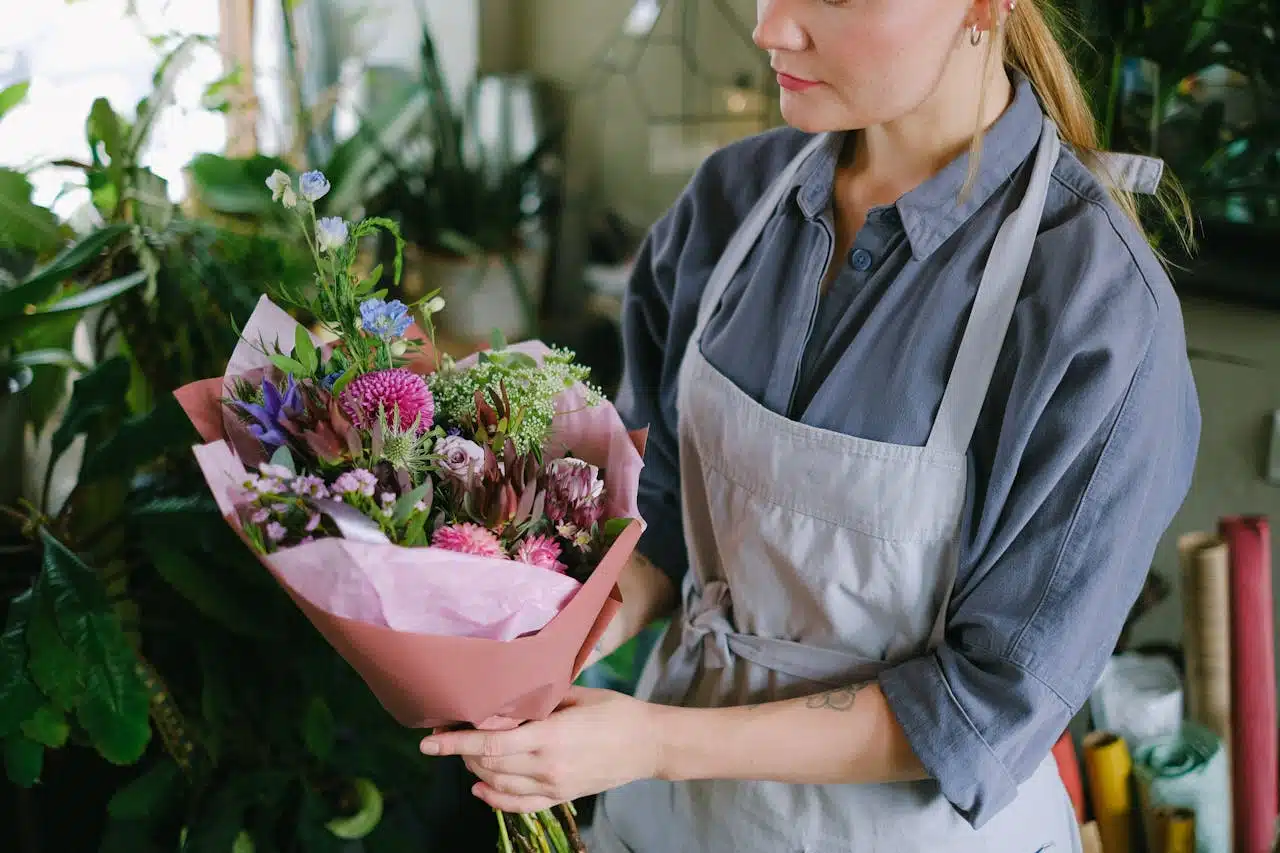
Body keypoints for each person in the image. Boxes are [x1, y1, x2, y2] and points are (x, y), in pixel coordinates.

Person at [419, 0, 1202, 849]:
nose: (770, 29)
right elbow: (665, 517)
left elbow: (983, 710)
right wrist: (561, 639)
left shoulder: (1099, 312)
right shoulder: (730, 202)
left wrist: (652, 740)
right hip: (669, 821)